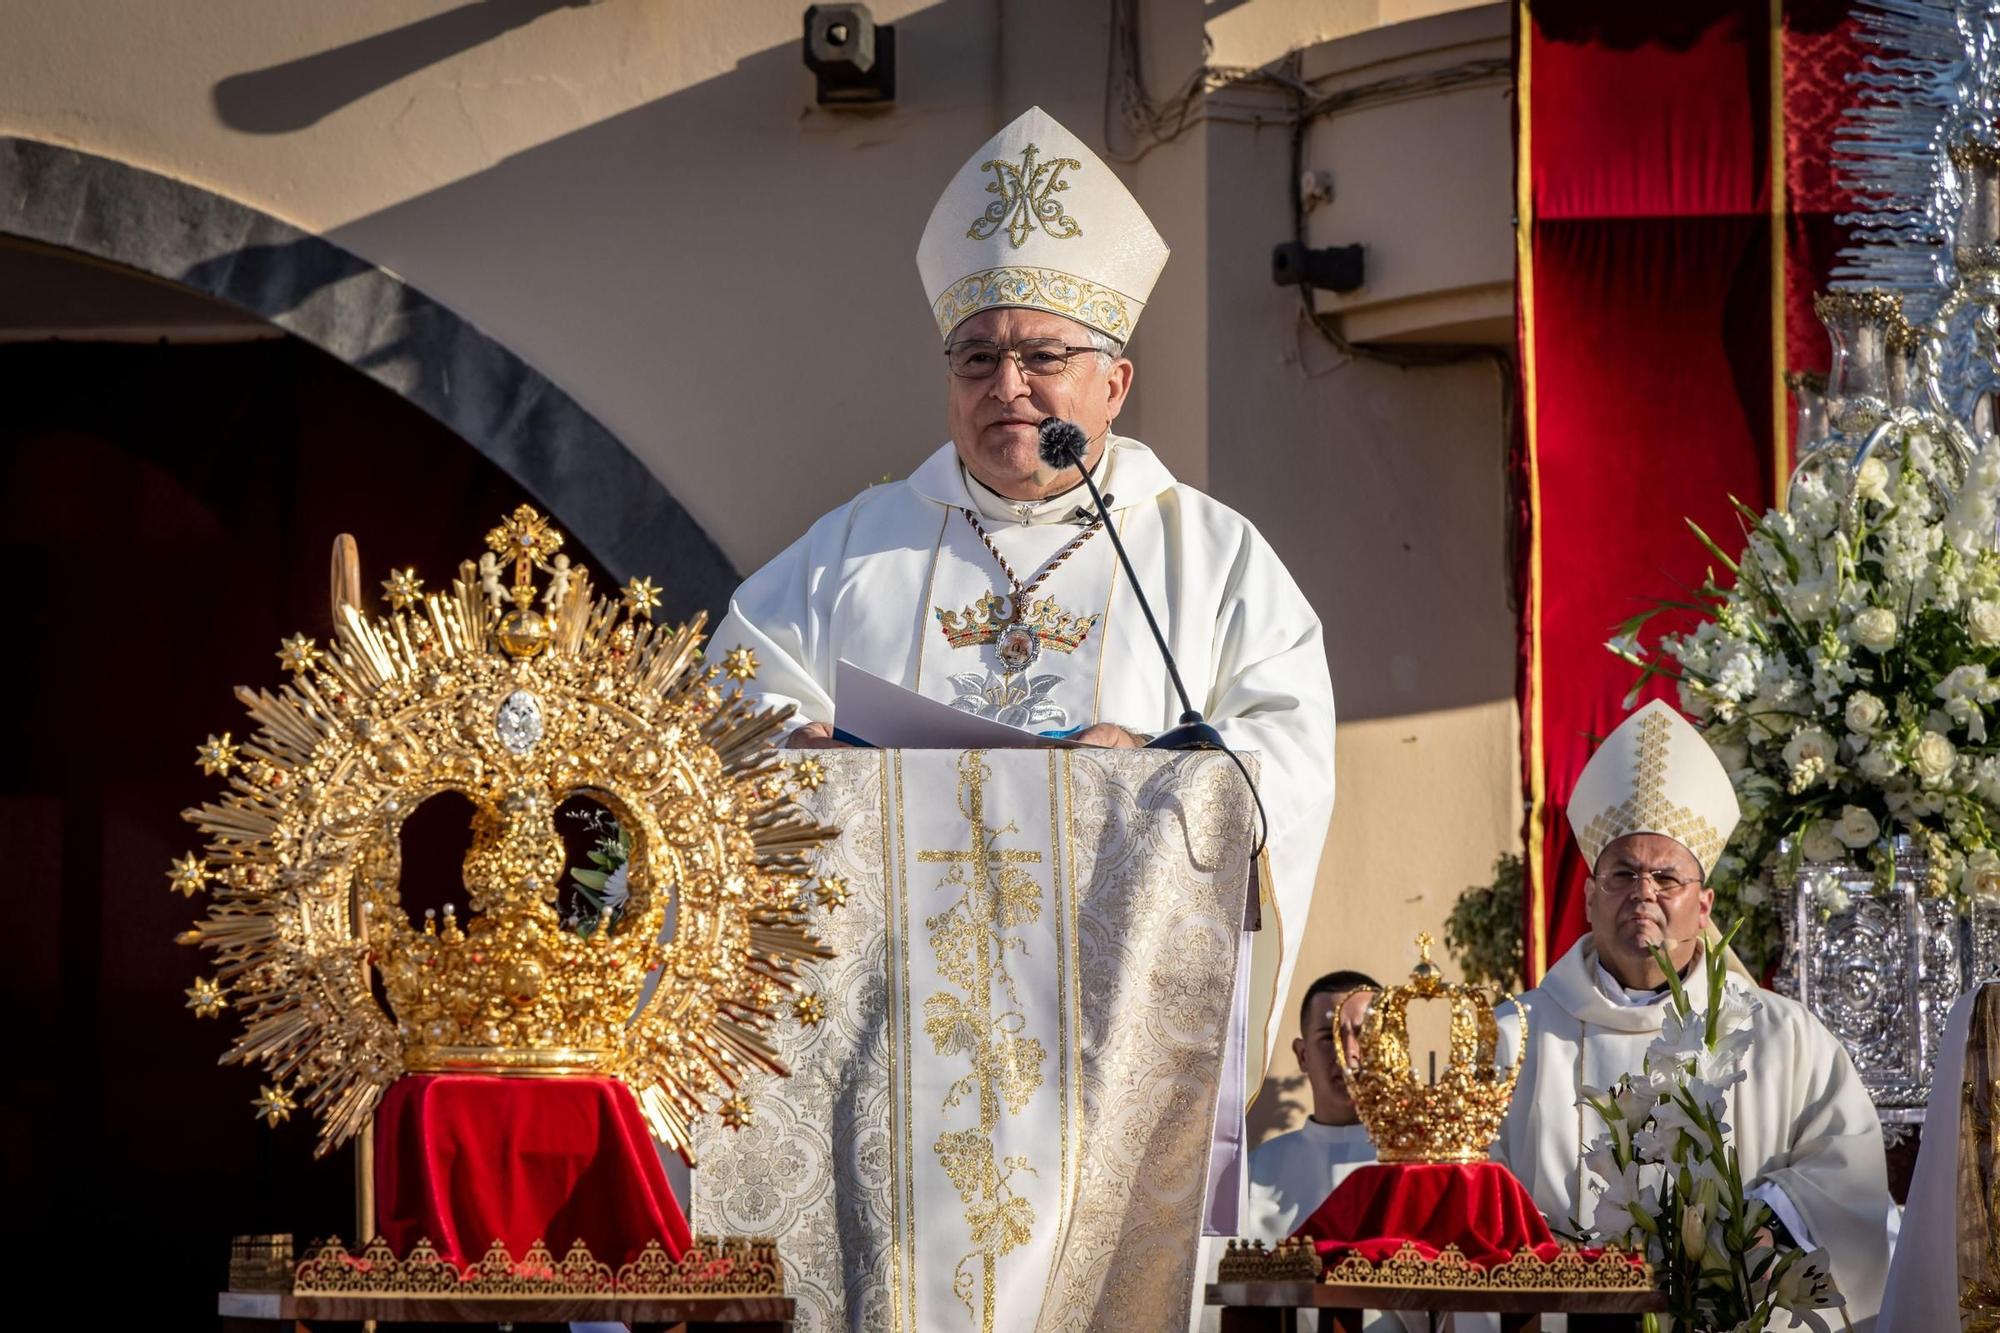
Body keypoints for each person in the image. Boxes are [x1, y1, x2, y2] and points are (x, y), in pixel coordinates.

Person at [708, 106, 1336, 1068]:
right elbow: (728, 704)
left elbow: (1287, 750)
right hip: (889, 1030)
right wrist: (800, 757)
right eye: (977, 358)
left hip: (1112, 1028)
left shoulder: (1211, 556)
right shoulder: (852, 548)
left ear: (1114, 385)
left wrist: (1157, 764)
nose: (1007, 385)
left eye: (1043, 356)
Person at [1492, 699, 1893, 1329]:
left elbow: (1851, 1168)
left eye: (1666, 878)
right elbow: (1475, 1195)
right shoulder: (1516, 1036)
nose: (1643, 893)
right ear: (1591, 898)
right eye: (1622, 873)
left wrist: (1757, 1225)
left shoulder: (1782, 1035)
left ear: (1703, 906)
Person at [1246, 969, 1383, 1242]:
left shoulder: (1420, 1170)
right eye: (1329, 1038)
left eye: (1364, 1034)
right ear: (1303, 1055)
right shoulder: (1255, 1172)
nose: (1348, 1053)